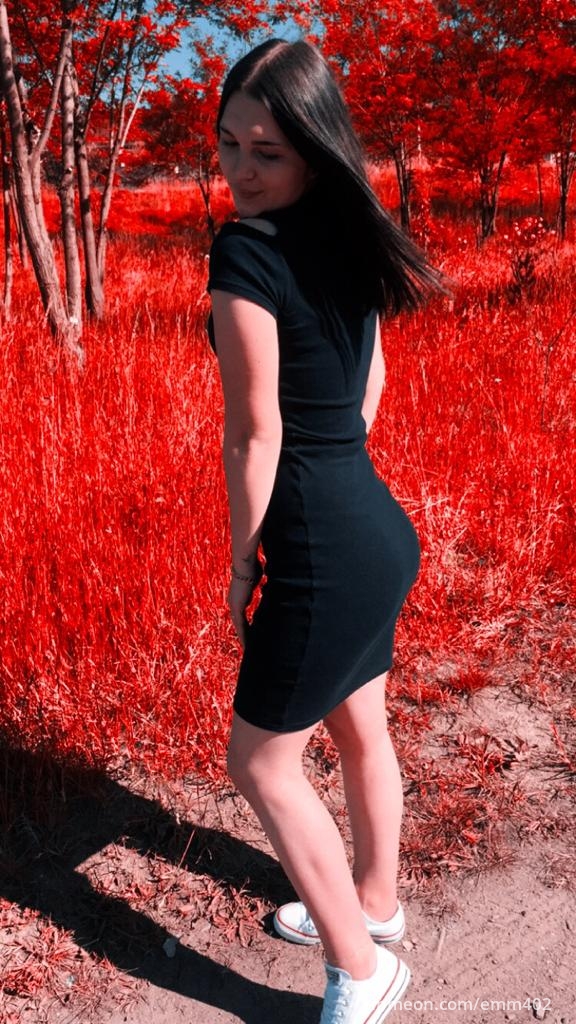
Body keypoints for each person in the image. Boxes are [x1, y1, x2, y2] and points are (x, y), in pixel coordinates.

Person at [206, 38, 447, 1024]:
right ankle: (375, 904)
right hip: (377, 527)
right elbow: (371, 382)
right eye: (229, 145)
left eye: (266, 151)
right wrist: (339, 473)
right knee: (357, 728)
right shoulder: (352, 237)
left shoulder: (245, 253)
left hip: (324, 547)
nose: (242, 169)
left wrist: (242, 564)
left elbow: (254, 433)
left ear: (312, 148)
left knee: (261, 761)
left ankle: (362, 967)